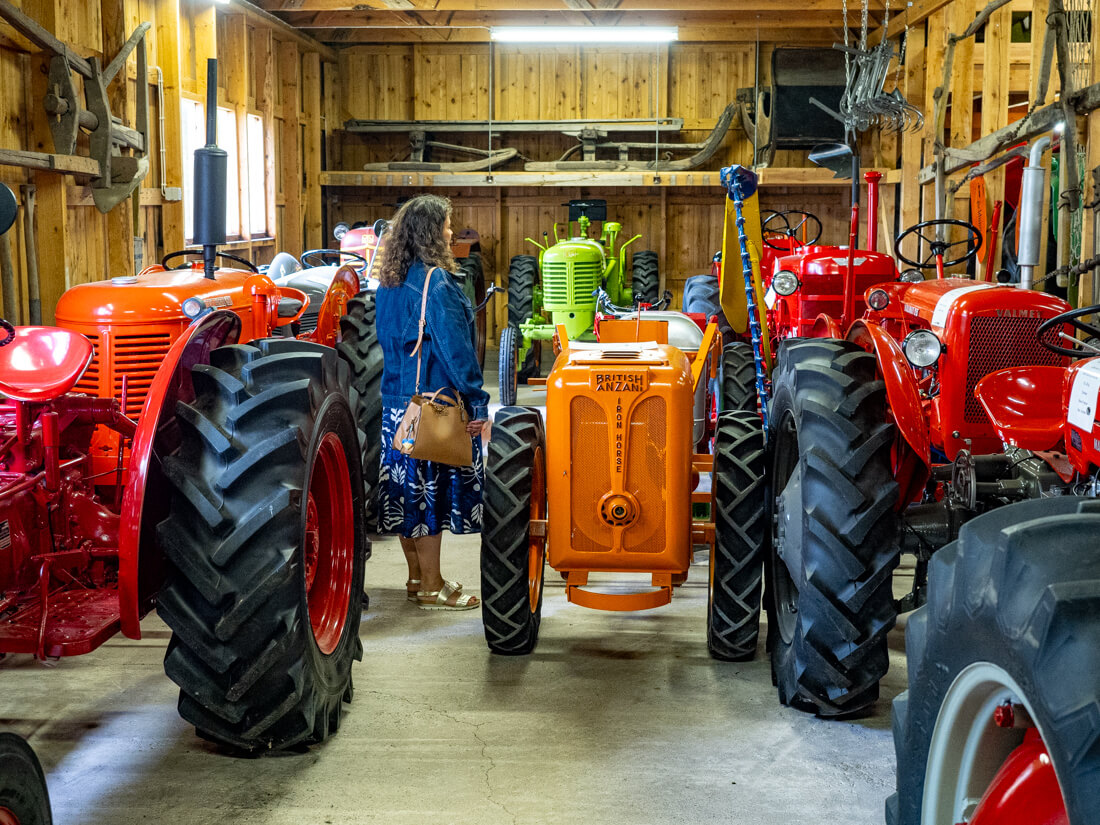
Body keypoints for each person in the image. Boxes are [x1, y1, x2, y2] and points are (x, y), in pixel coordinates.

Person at [374, 194, 488, 610]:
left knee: (403, 494)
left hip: (394, 404)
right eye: (445, 225)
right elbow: (456, 350)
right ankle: (433, 585)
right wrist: (477, 400)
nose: (450, 232)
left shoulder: (387, 282)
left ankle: (415, 578)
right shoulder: (435, 281)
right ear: (428, 233)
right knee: (428, 498)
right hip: (431, 405)